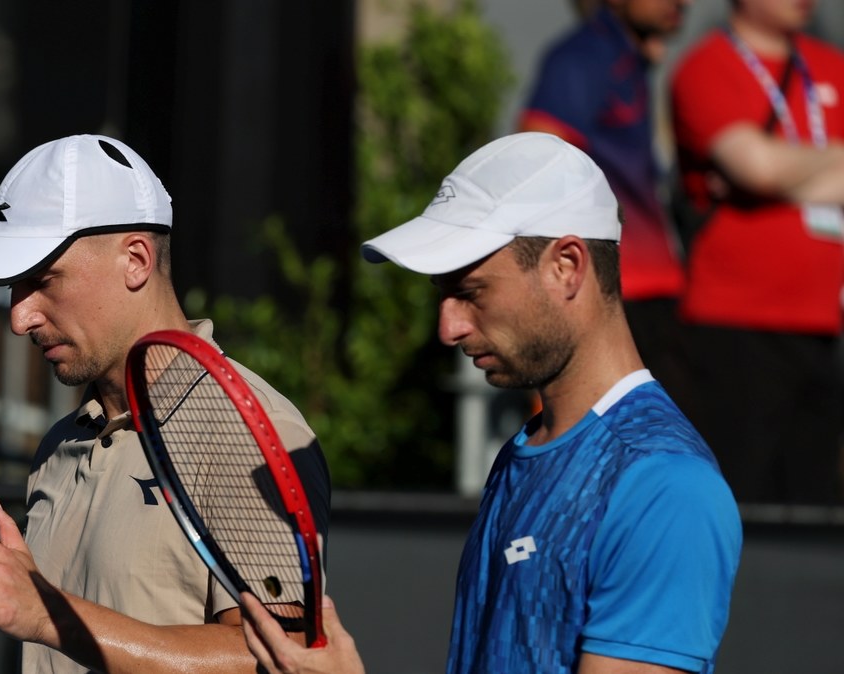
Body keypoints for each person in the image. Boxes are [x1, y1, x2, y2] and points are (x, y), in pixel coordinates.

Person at [241, 132, 741, 673]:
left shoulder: (665, 485)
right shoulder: (525, 452)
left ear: (567, 266)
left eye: (473, 291)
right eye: (444, 295)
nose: (448, 327)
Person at [0, 134, 331, 673]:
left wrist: (48, 615)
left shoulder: (250, 427)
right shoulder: (60, 443)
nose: (19, 319)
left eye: (42, 281)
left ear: (135, 260)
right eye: (13, 289)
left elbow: (282, 661)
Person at [669, 0, 844, 504]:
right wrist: (829, 158)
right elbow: (756, 166)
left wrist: (780, 174)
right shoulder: (708, 65)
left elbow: (764, 171)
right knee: (738, 500)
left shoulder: (830, 65)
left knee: (812, 506)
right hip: (734, 327)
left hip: (820, 326)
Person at [519, 0, 693, 404]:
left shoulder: (625, 57)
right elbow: (537, 156)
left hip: (648, 294)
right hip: (615, 294)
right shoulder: (585, 54)